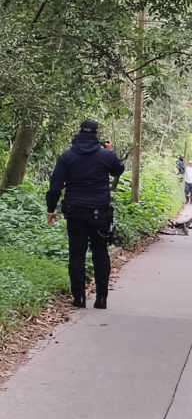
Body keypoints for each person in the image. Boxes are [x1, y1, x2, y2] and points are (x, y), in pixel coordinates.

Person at [46, 120, 124, 310]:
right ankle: (101, 299)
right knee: (100, 253)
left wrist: (51, 209)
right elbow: (118, 169)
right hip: (100, 213)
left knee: (77, 255)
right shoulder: (106, 155)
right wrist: (110, 151)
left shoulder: (67, 156)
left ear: (78, 133)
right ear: (97, 135)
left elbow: (55, 186)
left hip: (75, 212)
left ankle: (79, 298)